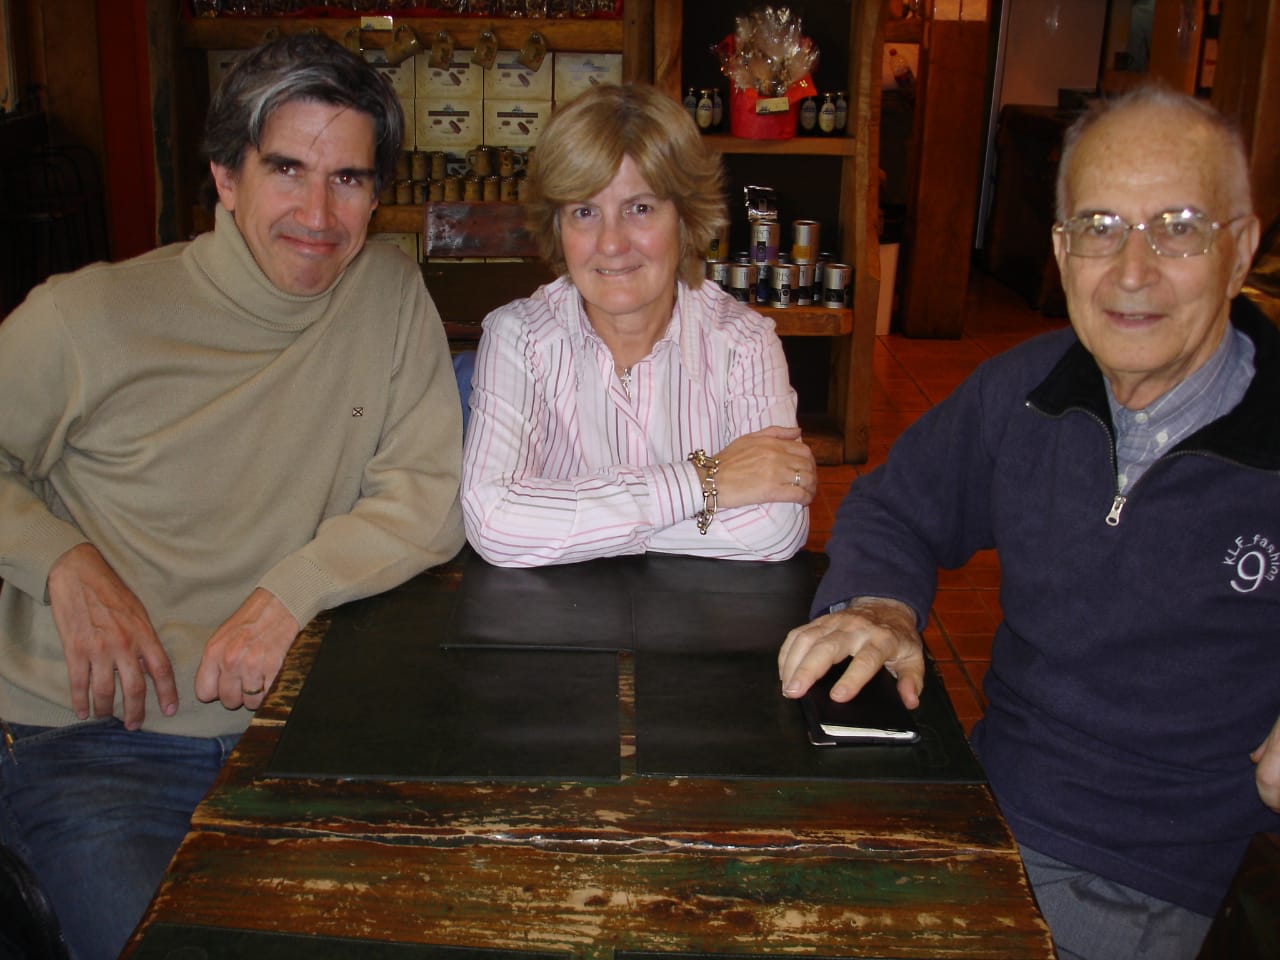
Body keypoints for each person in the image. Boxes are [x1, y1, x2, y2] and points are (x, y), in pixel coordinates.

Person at [778, 86, 1279, 960]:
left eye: (1179, 227)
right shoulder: (1025, 390)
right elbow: (897, 504)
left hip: (1177, 878)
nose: (1132, 270)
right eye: (1099, 227)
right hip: (992, 812)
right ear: (1060, 250)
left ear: (1240, 250)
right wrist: (882, 606)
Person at [0, 34, 465, 960]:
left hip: (305, 734)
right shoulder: (82, 318)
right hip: (95, 741)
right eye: (287, 169)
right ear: (224, 176)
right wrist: (61, 560)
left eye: (348, 179)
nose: (318, 214)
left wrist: (288, 595)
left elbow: (427, 495)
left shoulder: (387, 292)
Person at [461, 83, 815, 567]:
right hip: (559, 612)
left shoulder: (745, 343)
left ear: (685, 219)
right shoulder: (517, 338)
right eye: (584, 212)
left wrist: (567, 524)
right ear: (557, 227)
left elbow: (776, 526)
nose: (611, 243)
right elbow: (494, 523)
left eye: (640, 208)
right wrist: (703, 482)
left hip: (696, 611)